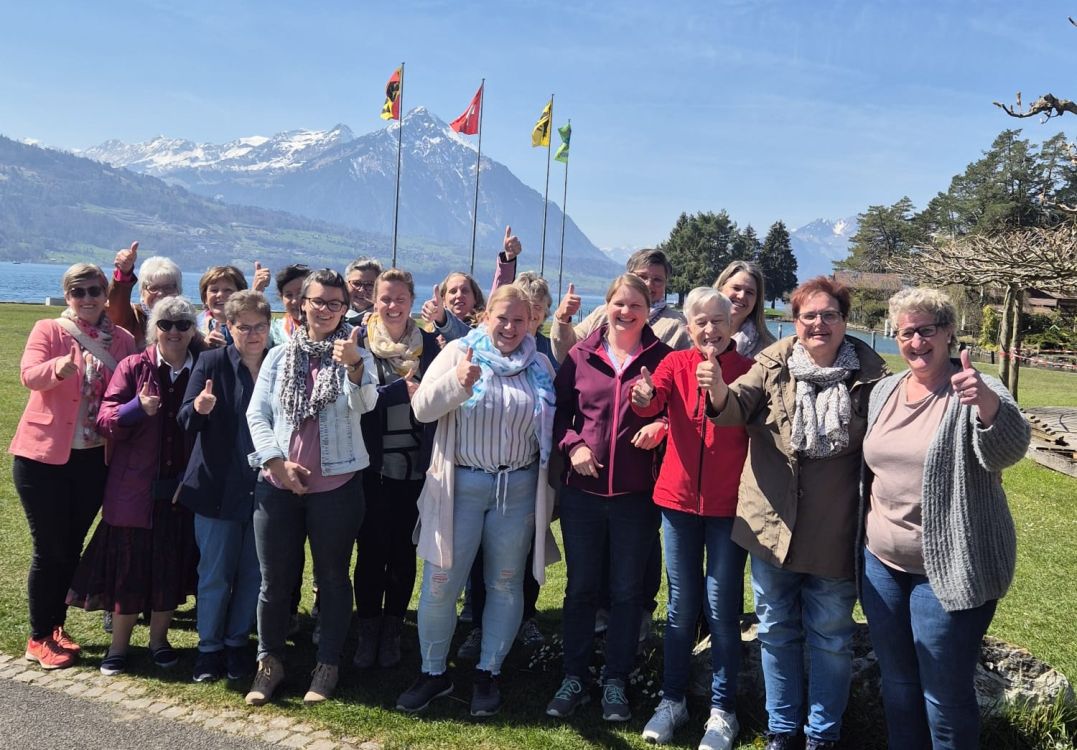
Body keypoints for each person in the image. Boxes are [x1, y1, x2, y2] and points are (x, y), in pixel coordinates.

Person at [703, 276, 888, 750]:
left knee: (830, 638)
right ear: (795, 320)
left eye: (830, 315)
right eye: (809, 315)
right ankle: (782, 731)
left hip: (835, 531)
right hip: (771, 528)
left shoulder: (872, 376)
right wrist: (720, 390)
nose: (819, 324)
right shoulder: (772, 363)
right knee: (776, 631)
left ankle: (822, 736)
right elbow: (733, 408)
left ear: (845, 321)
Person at [859, 288, 1030, 750]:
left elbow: (1008, 450)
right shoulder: (884, 391)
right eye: (906, 333)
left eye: (926, 330)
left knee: (944, 694)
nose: (916, 342)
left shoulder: (976, 386)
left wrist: (988, 409)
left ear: (949, 332)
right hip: (881, 565)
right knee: (898, 684)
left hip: (950, 568)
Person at [395, 285, 558, 718]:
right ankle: (433, 673)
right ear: (486, 316)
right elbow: (423, 410)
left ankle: (489, 672)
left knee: (505, 582)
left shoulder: (540, 364)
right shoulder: (459, 354)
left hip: (517, 489)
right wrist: (456, 384)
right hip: (461, 486)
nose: (509, 328)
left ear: (532, 322)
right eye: (502, 318)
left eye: (519, 320)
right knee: (440, 583)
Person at [244, 269, 377, 706]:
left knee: (333, 578)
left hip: (336, 488)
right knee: (274, 582)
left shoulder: (354, 354)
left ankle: (327, 665)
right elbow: (257, 415)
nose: (325, 310)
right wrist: (276, 462)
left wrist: (354, 364)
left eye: (335, 304)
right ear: (301, 303)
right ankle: (270, 662)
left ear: (345, 309)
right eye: (317, 301)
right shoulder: (279, 356)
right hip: (277, 486)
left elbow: (366, 404)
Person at [546, 273, 672, 723]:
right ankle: (574, 676)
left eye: (635, 304)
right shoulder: (582, 355)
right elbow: (559, 413)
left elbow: (683, 416)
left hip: (636, 499)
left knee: (626, 592)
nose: (626, 312)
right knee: (580, 590)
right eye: (619, 303)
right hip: (582, 494)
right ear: (608, 306)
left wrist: (660, 421)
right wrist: (573, 444)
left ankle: (616, 680)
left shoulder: (663, 359)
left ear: (648, 308)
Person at [631, 287, 753, 749]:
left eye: (718, 321)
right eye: (700, 321)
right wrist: (642, 396)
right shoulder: (674, 365)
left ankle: (723, 711)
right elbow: (649, 399)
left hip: (727, 508)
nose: (709, 329)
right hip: (678, 504)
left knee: (722, 609)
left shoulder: (748, 370)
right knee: (681, 609)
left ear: (733, 324)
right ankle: (672, 700)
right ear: (687, 324)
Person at [66, 296, 203, 676]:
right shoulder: (133, 366)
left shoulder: (202, 370)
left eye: (182, 324)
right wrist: (135, 409)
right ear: (153, 329)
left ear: (193, 329)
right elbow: (105, 421)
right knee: (128, 572)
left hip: (179, 492)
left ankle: (159, 642)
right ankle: (118, 648)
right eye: (165, 324)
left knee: (168, 569)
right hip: (134, 491)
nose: (173, 331)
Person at [11, 263, 138, 669]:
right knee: (49, 549)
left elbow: (132, 383)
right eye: (78, 292)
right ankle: (38, 636)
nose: (87, 299)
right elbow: (28, 375)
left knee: (70, 547)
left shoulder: (122, 340)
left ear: (105, 294)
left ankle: (55, 627)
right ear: (68, 296)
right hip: (42, 458)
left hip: (93, 459)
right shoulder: (49, 330)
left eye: (94, 291)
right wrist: (56, 369)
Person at [178, 290, 271, 683]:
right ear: (228, 326)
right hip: (216, 487)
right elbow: (184, 419)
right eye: (243, 326)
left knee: (253, 574)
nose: (252, 334)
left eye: (260, 327)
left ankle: (236, 644)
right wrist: (198, 409)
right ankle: (208, 649)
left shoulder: (277, 365)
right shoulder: (210, 361)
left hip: (264, 490)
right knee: (214, 574)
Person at [352, 269, 439, 670]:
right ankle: (367, 630)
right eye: (384, 297)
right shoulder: (358, 342)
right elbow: (357, 399)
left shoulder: (432, 347)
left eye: (400, 297)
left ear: (411, 299)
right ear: (373, 299)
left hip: (416, 471)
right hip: (370, 469)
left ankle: (392, 630)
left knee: (404, 554)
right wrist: (396, 393)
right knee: (370, 553)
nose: (392, 305)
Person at [550, 247, 690, 363]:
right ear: (628, 276)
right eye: (642, 277)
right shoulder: (603, 314)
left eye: (657, 280)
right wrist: (563, 318)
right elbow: (566, 355)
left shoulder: (677, 326)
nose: (648, 284)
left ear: (666, 283)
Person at [107, 241, 183, 349]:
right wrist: (124, 273)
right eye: (153, 288)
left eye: (168, 287)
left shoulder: (186, 322)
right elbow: (116, 309)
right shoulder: (132, 318)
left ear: (179, 291)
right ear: (142, 291)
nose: (161, 293)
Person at [714, 260, 777, 359]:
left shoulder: (769, 349)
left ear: (756, 300)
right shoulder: (697, 336)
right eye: (736, 288)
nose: (741, 296)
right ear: (720, 289)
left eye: (749, 292)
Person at [196, 264, 270, 349]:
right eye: (214, 290)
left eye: (228, 290)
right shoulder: (193, 327)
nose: (220, 294)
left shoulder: (257, 327)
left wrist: (256, 292)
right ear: (205, 297)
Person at [419, 271, 486, 342]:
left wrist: (442, 318)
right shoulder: (431, 333)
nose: (459, 295)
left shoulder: (485, 328)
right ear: (443, 300)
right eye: (453, 291)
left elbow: (470, 340)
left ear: (475, 298)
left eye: (465, 291)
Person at [269, 264, 311, 348]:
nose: (295, 301)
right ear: (281, 297)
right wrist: (257, 290)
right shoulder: (274, 331)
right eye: (289, 295)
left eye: (301, 293)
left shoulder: (329, 329)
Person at [344, 257, 382, 326]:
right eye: (356, 283)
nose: (362, 289)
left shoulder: (385, 322)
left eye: (369, 284)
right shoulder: (333, 319)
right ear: (346, 286)